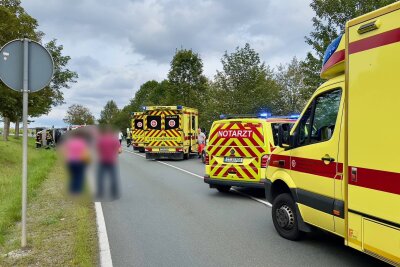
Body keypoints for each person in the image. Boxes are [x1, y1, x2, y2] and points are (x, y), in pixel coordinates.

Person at [96, 127, 122, 200]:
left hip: (102, 160)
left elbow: (96, 149)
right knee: (113, 177)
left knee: (100, 177)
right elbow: (119, 151)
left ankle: (100, 193)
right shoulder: (114, 139)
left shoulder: (100, 139)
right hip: (112, 161)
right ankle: (114, 194)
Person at [62, 130, 90, 194]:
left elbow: (64, 151)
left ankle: (71, 189)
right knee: (79, 176)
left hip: (70, 161)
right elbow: (86, 152)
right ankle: (77, 191)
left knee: (73, 175)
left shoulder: (69, 142)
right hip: (80, 161)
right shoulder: (83, 142)